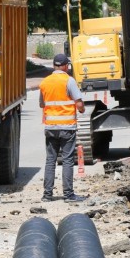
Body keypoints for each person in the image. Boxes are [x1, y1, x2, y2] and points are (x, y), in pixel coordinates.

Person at [39, 53, 87, 202]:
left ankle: (47, 195)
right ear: (66, 66)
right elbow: (79, 105)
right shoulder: (69, 81)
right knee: (67, 160)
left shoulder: (45, 82)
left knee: (50, 160)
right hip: (67, 128)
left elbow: (42, 104)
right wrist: (82, 109)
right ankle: (68, 195)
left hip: (51, 128)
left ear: (54, 65)